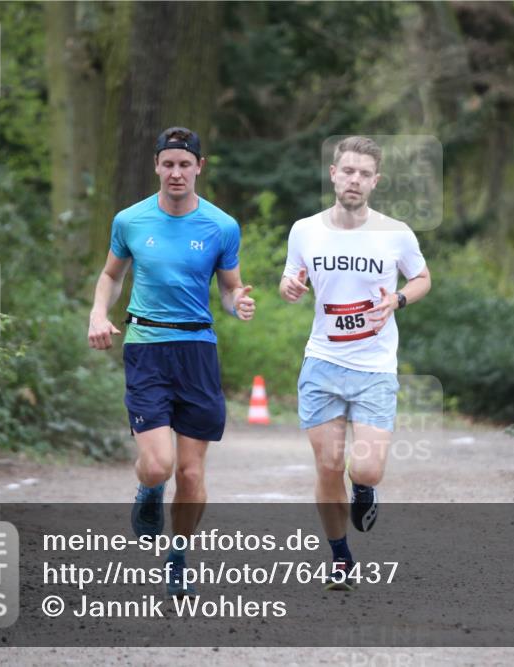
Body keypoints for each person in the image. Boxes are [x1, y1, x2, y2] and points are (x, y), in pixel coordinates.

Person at [88, 127, 255, 597]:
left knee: (192, 473)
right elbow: (110, 275)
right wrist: (98, 313)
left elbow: (228, 288)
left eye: (185, 164)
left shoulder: (221, 226)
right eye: (168, 164)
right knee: (159, 465)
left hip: (197, 351)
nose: (176, 172)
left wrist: (238, 302)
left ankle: (178, 556)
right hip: (146, 349)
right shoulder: (130, 220)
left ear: (200, 167)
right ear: (156, 166)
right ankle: (147, 491)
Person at [279, 136, 431, 591]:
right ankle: (340, 556)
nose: (355, 180)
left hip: (374, 365)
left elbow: (422, 276)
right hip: (322, 362)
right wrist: (289, 285)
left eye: (364, 174)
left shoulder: (396, 232)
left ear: (375, 181)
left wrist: (399, 298)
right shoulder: (305, 229)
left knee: (364, 469)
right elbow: (292, 273)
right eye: (348, 171)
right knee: (328, 467)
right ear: (333, 173)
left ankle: (364, 490)